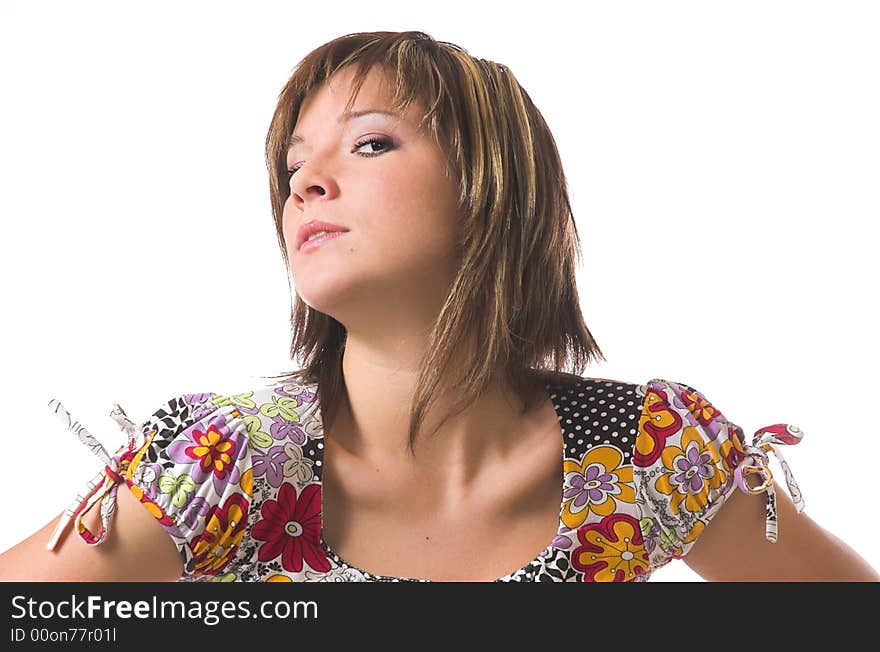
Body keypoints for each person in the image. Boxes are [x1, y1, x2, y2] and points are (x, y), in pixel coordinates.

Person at [0, 30, 876, 583]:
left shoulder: (651, 452)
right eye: (292, 166)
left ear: (492, 192)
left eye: (370, 142)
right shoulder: (222, 462)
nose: (306, 182)